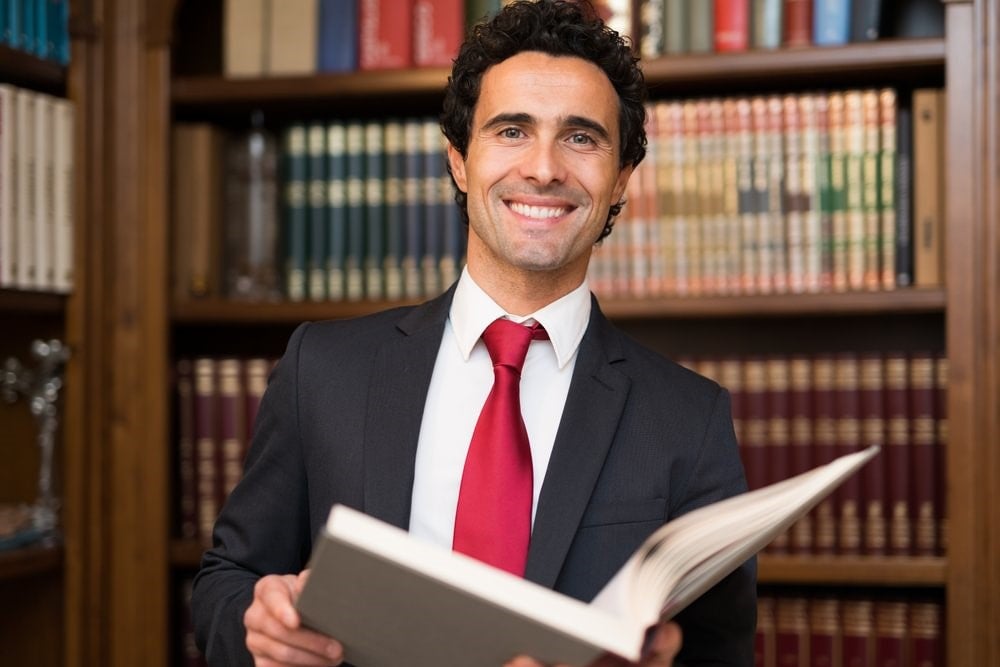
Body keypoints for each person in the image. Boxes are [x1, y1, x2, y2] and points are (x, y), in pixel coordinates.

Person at [191, 1, 756, 665]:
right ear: (460, 159)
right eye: (512, 130)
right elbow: (224, 582)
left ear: (620, 178)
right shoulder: (324, 369)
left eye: (581, 137)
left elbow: (720, 655)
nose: (544, 168)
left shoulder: (690, 419)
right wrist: (257, 625)